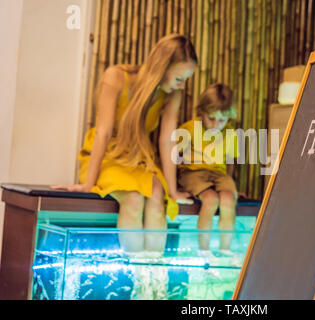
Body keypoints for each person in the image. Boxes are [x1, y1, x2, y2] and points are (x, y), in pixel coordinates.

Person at [52, 34, 198, 253]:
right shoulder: (116, 77)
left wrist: (173, 191)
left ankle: (155, 273)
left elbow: (166, 142)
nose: (182, 86)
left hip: (138, 157)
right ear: (162, 68)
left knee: (158, 196)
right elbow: (103, 132)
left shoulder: (172, 95)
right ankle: (138, 272)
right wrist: (88, 184)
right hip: (108, 154)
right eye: (179, 78)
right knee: (133, 199)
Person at [176, 83, 242, 252]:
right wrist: (175, 186)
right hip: (193, 172)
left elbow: (229, 163)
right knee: (211, 199)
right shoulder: (189, 129)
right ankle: (203, 251)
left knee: (228, 199)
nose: (215, 125)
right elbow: (174, 157)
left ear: (229, 117)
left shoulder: (230, 133)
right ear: (202, 112)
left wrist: (230, 186)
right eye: (211, 118)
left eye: (221, 120)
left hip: (218, 174)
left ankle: (225, 250)